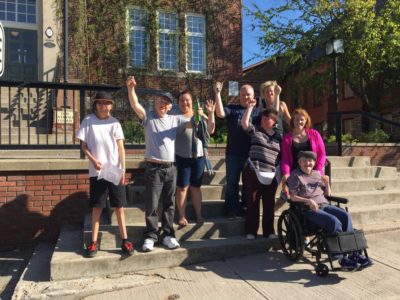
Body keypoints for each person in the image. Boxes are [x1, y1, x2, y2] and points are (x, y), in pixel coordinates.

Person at [126, 76, 186, 252]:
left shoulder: (175, 119)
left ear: (170, 106)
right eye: (161, 101)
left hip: (171, 168)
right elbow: (135, 105)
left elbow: (192, 119)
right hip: (153, 168)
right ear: (156, 102)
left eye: (167, 103)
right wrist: (131, 89)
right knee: (152, 204)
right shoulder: (148, 117)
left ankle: (168, 235)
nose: (164, 105)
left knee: (169, 204)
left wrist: (206, 113)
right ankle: (151, 236)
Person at [287, 151, 372, 270]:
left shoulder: (317, 174)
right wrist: (308, 201)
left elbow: (328, 195)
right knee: (334, 221)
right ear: (299, 162)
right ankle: (340, 258)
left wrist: (327, 184)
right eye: (304, 160)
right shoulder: (295, 175)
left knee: (345, 215)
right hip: (308, 209)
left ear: (314, 162)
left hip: (324, 204)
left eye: (310, 160)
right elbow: (292, 196)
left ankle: (354, 253)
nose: (308, 163)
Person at [76, 91, 134, 257]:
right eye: (100, 102)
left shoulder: (115, 123)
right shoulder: (88, 121)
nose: (103, 105)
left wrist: (123, 169)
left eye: (107, 102)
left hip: (114, 171)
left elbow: (121, 148)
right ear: (95, 104)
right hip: (97, 172)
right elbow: (84, 146)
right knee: (97, 207)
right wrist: (93, 160)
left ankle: (125, 240)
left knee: (119, 207)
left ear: (111, 105)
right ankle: (93, 242)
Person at [214, 81, 262, 219]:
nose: (246, 97)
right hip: (233, 154)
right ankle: (231, 210)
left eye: (249, 94)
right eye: (243, 95)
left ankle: (247, 208)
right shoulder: (232, 108)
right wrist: (217, 93)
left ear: (253, 96)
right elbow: (220, 113)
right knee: (232, 183)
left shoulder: (258, 112)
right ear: (239, 96)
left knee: (248, 184)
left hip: (250, 155)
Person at [241, 99, 281, 239]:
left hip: (271, 174)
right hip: (253, 171)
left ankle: (269, 231)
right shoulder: (256, 130)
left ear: (274, 121)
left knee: (269, 203)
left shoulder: (279, 137)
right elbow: (245, 124)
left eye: (268, 118)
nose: (265, 120)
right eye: (263, 117)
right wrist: (250, 108)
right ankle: (251, 231)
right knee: (253, 202)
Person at [175, 90, 216, 226]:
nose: (185, 103)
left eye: (187, 100)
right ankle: (181, 216)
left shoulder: (200, 114)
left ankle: (199, 215)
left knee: (196, 187)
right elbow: (183, 127)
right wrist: (194, 120)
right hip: (183, 157)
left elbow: (210, 130)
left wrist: (210, 114)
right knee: (182, 188)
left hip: (199, 157)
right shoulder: (176, 118)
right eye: (182, 100)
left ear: (192, 102)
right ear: (178, 103)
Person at [280, 108, 326, 200]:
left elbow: (322, 154)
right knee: (296, 195)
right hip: (296, 173)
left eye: (302, 119)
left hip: (312, 170)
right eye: (296, 119)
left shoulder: (315, 134)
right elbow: (285, 158)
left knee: (317, 194)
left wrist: (318, 170)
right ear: (293, 121)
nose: (299, 122)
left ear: (306, 121)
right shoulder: (287, 138)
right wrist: (286, 173)